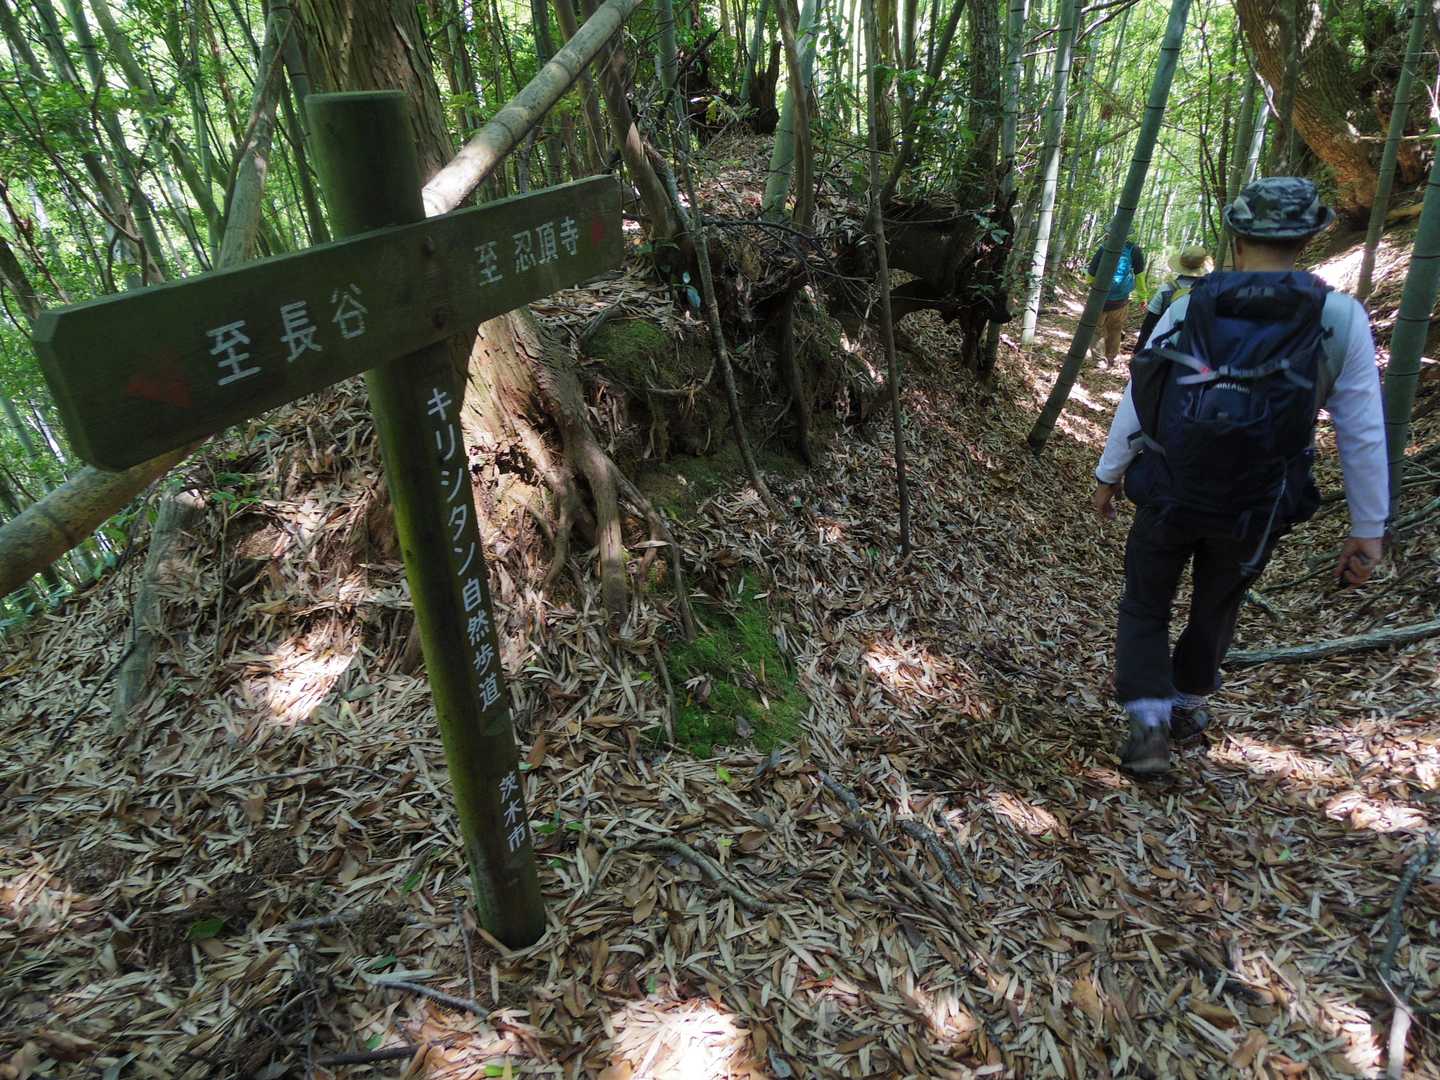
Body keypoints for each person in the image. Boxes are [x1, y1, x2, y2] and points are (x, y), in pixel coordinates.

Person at [1091, 178, 1388, 776]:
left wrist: (1109, 472)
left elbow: (1142, 395)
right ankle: (1186, 703)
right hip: (1259, 502)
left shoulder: (1191, 304)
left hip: (1171, 488)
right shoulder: (1338, 317)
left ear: (1237, 237)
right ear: (1309, 238)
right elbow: (1362, 429)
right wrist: (1368, 526)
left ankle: (1148, 724)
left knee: (1146, 599)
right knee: (1218, 602)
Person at [1134, 245, 1212, 354]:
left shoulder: (1166, 289)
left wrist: (1139, 348)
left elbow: (1149, 322)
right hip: (1195, 348)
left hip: (1164, 344)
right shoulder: (1209, 292)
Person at [1088, 239, 1147, 365]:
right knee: (1115, 329)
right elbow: (1140, 275)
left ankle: (1099, 360)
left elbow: (1092, 271)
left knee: (1096, 330)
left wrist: (1092, 286)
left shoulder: (1104, 247)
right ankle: (1111, 358)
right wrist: (1143, 297)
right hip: (1121, 299)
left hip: (1099, 297)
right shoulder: (1134, 249)